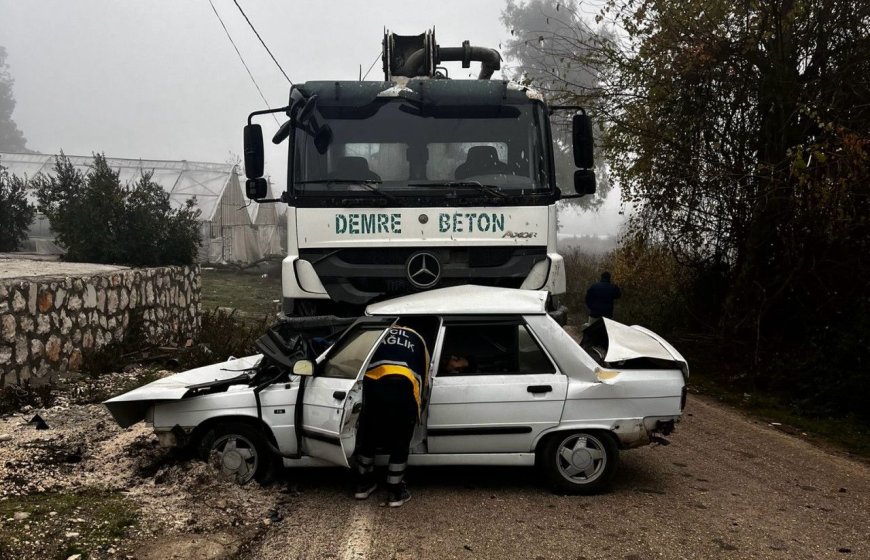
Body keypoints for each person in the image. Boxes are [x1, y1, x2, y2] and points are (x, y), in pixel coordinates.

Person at [353, 324, 429, 507]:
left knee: (368, 436)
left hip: (374, 389)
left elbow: (355, 360)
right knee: (400, 442)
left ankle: (363, 485)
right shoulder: (417, 336)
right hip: (404, 390)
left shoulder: (375, 332)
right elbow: (425, 371)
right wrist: (419, 406)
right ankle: (395, 492)